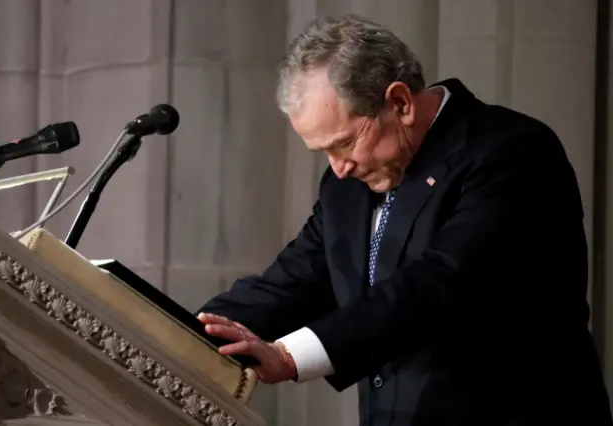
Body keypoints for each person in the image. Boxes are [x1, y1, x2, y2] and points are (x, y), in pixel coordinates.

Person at [196, 14, 612, 426]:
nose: (337, 167)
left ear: (400, 103)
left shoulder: (511, 151)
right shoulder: (346, 183)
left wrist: (289, 357)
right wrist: (191, 332)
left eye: (343, 143)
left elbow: (439, 282)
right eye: (322, 151)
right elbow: (294, 279)